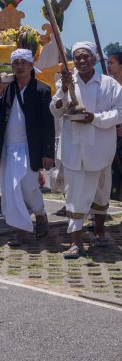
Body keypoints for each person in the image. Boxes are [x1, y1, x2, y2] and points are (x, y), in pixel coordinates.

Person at [50, 41, 122, 259]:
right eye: (77, 57)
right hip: (73, 149)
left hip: (101, 150)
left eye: (85, 56)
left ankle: (100, 232)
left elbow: (119, 113)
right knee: (74, 196)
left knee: (101, 194)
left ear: (94, 58)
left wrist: (94, 118)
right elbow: (54, 111)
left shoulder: (109, 84)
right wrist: (63, 91)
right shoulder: (67, 82)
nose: (81, 60)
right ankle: (76, 241)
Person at [0, 48, 55, 247]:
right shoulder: (7, 89)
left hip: (29, 148)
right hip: (8, 148)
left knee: (28, 186)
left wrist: (47, 153)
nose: (18, 66)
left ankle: (40, 214)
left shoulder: (41, 89)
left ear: (31, 66)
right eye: (15, 63)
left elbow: (47, 124)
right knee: (10, 190)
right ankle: (22, 230)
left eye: (22, 62)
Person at [107, 52, 122, 201]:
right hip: (112, 137)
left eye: (112, 63)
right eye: (108, 63)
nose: (108, 66)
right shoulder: (108, 86)